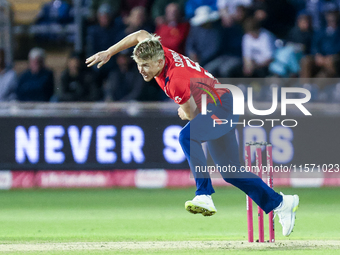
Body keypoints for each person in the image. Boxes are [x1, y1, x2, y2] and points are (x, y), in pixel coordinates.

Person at [85, 30, 300, 237]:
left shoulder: (175, 81)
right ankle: (281, 203)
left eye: (146, 66)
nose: (142, 70)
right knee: (231, 172)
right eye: (139, 65)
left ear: (159, 62)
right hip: (221, 103)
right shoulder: (158, 49)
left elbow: (193, 115)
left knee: (186, 136)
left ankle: (204, 194)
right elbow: (139, 34)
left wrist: (183, 111)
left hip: (221, 108)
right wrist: (109, 52)